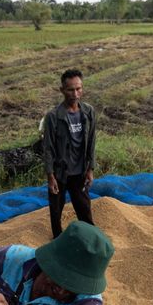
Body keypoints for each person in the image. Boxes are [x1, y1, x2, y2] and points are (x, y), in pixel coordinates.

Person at [43, 69, 97, 238]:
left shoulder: (88, 112)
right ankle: (57, 242)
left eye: (78, 89)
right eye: (70, 89)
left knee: (84, 210)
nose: (75, 93)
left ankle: (90, 241)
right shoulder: (53, 117)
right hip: (60, 173)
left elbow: (92, 142)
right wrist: (50, 176)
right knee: (56, 212)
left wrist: (90, 169)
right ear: (62, 90)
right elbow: (48, 147)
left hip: (80, 171)